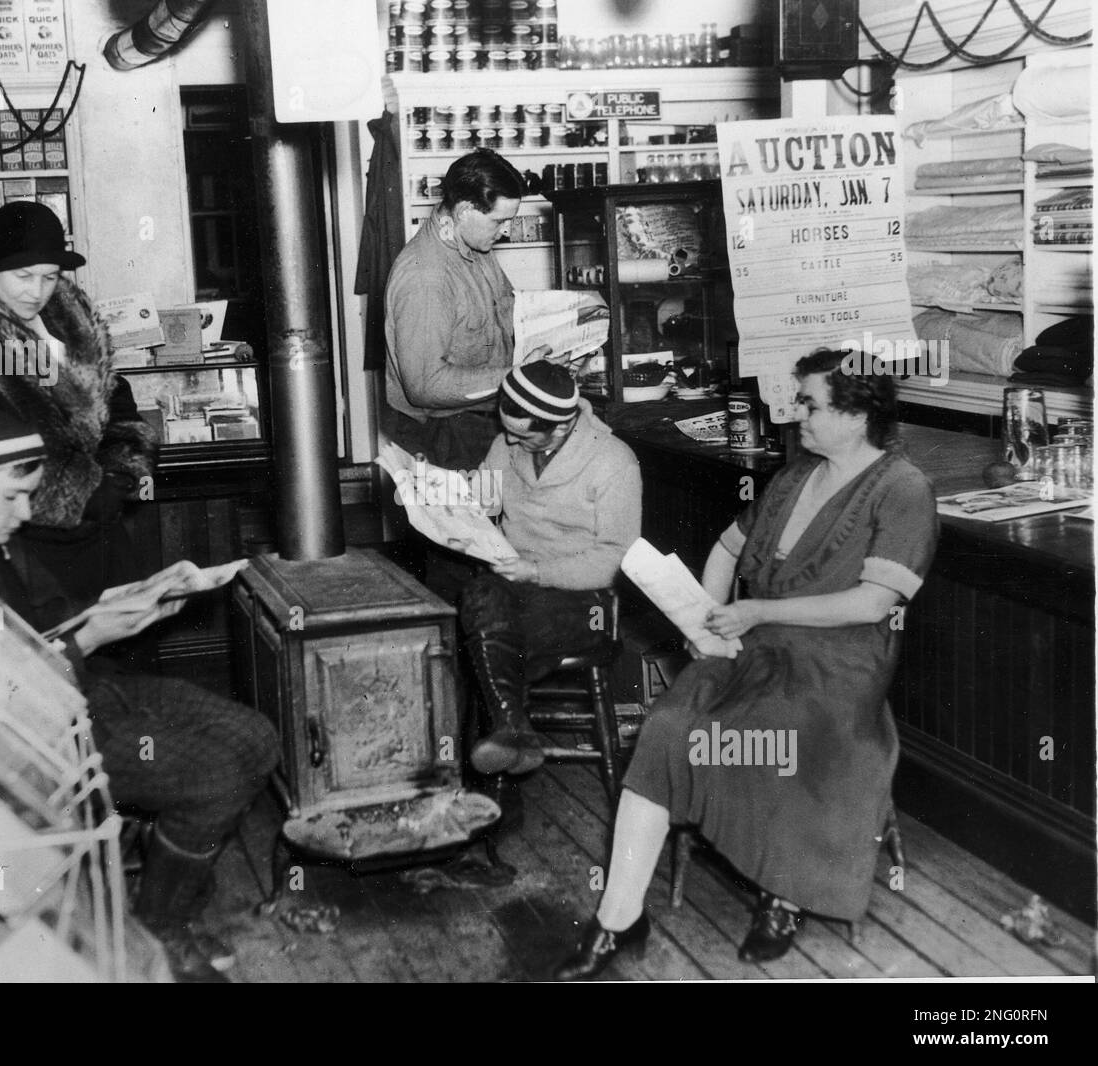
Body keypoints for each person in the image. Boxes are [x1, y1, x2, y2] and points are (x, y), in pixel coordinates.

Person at [553, 349, 939, 980]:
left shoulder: (903, 489)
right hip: (752, 643)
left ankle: (784, 896)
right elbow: (729, 548)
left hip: (840, 662)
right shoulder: (794, 476)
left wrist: (755, 612)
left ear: (857, 411)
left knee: (775, 731)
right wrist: (704, 619)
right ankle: (617, 920)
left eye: (810, 403)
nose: (797, 414)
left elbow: (874, 603)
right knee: (670, 727)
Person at [0, 396, 280, 983]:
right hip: (48, 746)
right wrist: (88, 640)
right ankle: (160, 923)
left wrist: (116, 608)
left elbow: (44, 618)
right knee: (218, 771)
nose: (26, 510)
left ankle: (158, 906)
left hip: (81, 692)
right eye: (14, 495)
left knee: (258, 738)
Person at [0, 200, 155, 603]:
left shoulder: (74, 321)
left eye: (49, 277)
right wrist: (81, 492)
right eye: (23, 276)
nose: (37, 291)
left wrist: (119, 476)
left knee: (124, 642)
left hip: (100, 526)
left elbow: (117, 401)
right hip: (26, 534)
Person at [460, 361, 641, 776]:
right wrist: (439, 499)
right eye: (505, 428)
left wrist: (537, 571)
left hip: (583, 600)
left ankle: (507, 745)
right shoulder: (508, 446)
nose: (507, 439)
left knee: (492, 636)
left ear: (559, 428)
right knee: (479, 596)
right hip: (513, 586)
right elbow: (481, 504)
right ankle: (513, 730)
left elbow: (615, 558)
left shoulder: (613, 462)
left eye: (521, 434)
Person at [383, 148, 551, 473]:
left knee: (494, 518)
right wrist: (517, 376)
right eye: (499, 221)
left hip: (479, 422)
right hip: (443, 436)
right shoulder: (425, 278)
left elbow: (505, 313)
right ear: (463, 210)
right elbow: (424, 387)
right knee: (469, 522)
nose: (505, 230)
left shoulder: (474, 243)